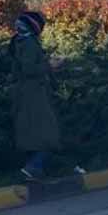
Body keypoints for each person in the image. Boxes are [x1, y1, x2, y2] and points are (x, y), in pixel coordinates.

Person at [10, 11, 83, 180]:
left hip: (29, 94)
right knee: (48, 135)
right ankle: (33, 167)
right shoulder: (28, 43)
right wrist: (49, 65)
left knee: (35, 135)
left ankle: (35, 170)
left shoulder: (19, 42)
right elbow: (29, 69)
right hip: (34, 95)